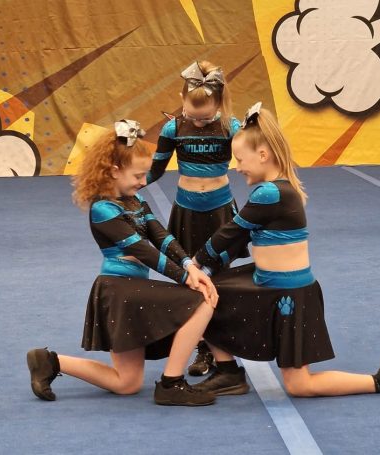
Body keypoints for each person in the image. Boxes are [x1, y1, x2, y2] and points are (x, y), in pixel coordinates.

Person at [191, 103, 380, 397]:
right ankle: (228, 373)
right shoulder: (276, 188)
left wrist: (194, 262)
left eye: (240, 159)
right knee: (204, 292)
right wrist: (207, 269)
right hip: (267, 283)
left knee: (299, 385)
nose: (236, 167)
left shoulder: (270, 193)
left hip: (289, 293)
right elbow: (240, 240)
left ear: (263, 155)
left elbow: (229, 233)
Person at [27, 119, 219, 407]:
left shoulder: (135, 199)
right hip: (118, 290)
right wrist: (184, 278)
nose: (144, 181)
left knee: (127, 383)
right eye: (138, 175)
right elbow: (141, 250)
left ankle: (49, 361)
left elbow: (161, 236)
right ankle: (172, 383)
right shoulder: (103, 209)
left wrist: (189, 265)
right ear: (114, 170)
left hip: (131, 291)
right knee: (202, 301)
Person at [148, 60, 248, 376]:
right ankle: (203, 347)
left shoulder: (231, 127)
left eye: (205, 117)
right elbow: (154, 170)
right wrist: (121, 188)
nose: (198, 122)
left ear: (219, 104)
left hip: (220, 212)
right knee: (193, 279)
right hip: (187, 212)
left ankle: (222, 345)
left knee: (220, 278)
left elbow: (253, 161)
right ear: (182, 100)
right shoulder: (173, 128)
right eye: (192, 115)